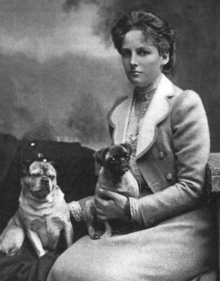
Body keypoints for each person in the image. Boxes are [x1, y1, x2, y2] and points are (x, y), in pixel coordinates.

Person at [47, 10, 216, 281]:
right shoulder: (119, 111)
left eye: (143, 52)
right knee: (63, 269)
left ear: (165, 56)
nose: (133, 62)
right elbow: (117, 181)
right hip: (127, 224)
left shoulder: (184, 104)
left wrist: (131, 210)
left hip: (179, 224)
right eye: (126, 53)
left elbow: (192, 188)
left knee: (107, 277)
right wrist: (76, 208)